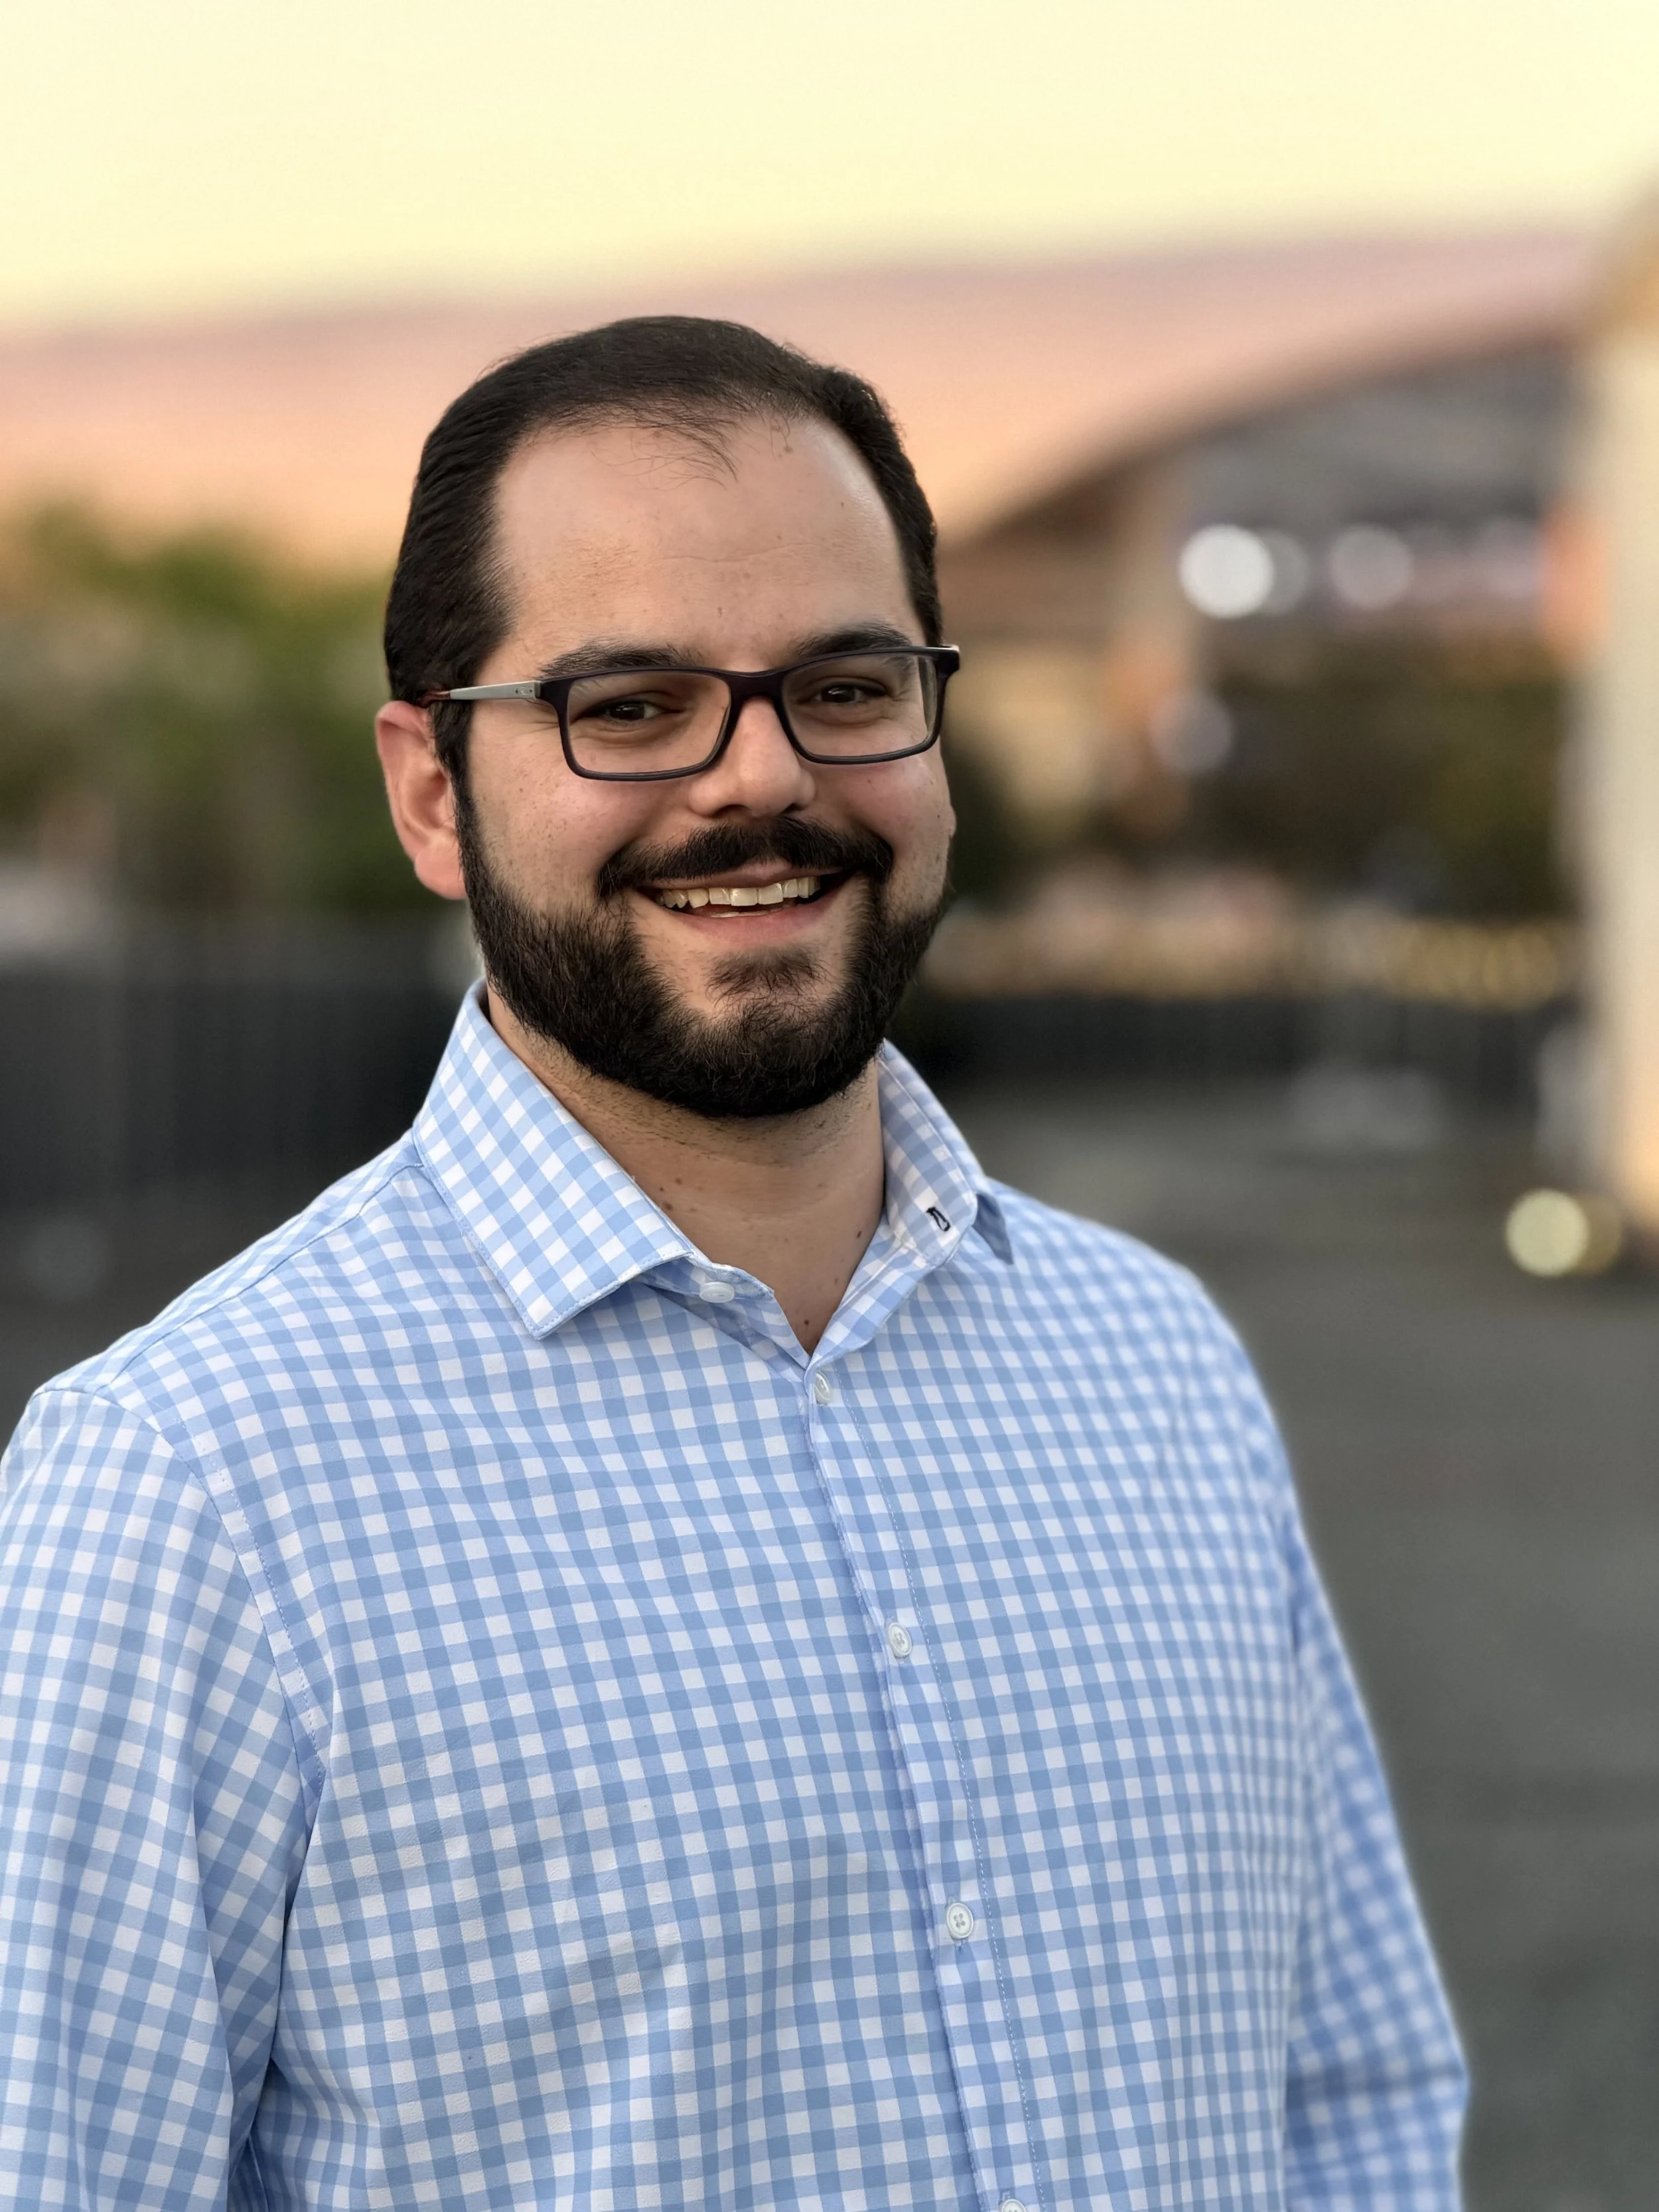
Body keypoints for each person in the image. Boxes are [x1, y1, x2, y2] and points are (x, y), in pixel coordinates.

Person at [0, 317, 1464, 2210]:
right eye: (628, 705)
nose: (760, 778)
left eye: (846, 685)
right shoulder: (193, 1486)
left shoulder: (1159, 1368)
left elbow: (1347, 2103)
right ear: (434, 792)